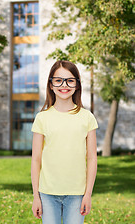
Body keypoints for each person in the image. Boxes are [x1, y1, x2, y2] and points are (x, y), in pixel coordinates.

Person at [31, 60, 98, 224]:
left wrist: (88, 194)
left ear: (77, 85)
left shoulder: (87, 118)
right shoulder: (42, 118)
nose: (64, 85)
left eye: (70, 80)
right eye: (58, 80)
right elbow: (36, 159)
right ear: (51, 85)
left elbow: (92, 159)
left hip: (77, 194)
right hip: (47, 193)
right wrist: (36, 196)